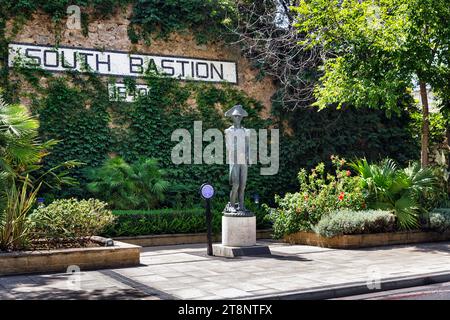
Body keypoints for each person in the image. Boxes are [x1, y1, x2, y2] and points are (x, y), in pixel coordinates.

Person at [224, 104, 251, 214]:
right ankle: (231, 205)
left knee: (243, 185)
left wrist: (249, 158)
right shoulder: (229, 131)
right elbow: (229, 147)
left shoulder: (246, 131)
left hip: (243, 161)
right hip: (234, 160)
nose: (238, 118)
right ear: (232, 117)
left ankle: (241, 206)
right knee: (236, 185)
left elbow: (248, 146)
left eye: (239, 116)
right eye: (235, 116)